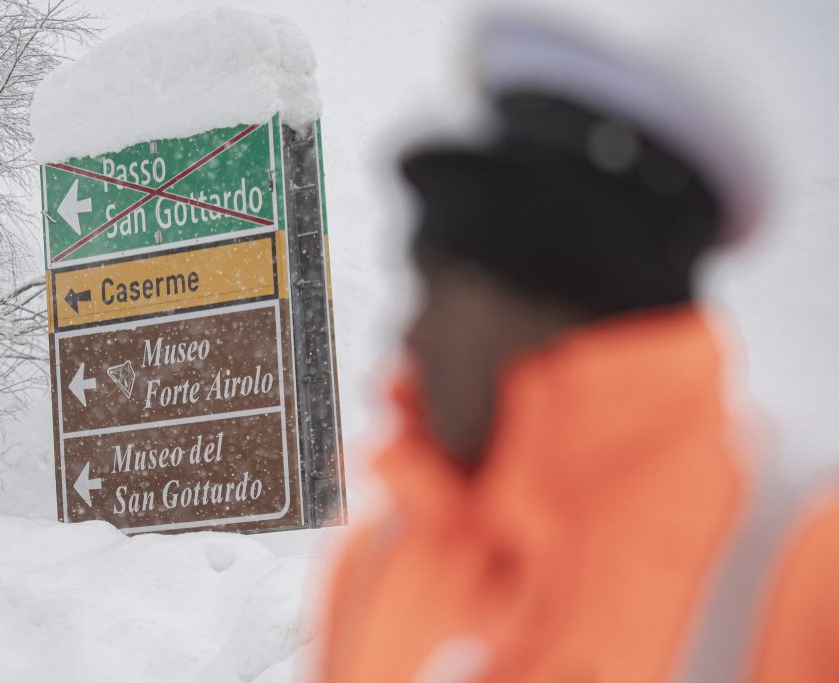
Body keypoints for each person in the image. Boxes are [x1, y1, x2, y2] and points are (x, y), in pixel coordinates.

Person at [317, 17, 839, 683]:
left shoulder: (801, 568)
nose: (413, 336)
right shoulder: (378, 564)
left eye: (450, 293)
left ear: (559, 314)